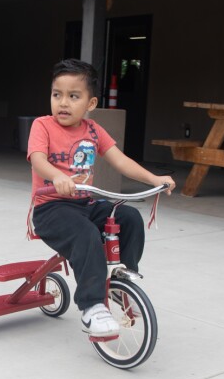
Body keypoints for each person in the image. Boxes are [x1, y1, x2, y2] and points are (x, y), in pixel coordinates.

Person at [27, 59, 175, 336]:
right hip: (52, 210)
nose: (63, 103)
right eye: (57, 94)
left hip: (86, 204)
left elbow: (121, 161)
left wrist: (155, 179)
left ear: (90, 104)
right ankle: (92, 306)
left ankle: (121, 278)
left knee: (128, 216)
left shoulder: (93, 130)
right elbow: (38, 160)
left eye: (74, 96)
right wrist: (57, 176)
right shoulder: (43, 126)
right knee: (87, 235)